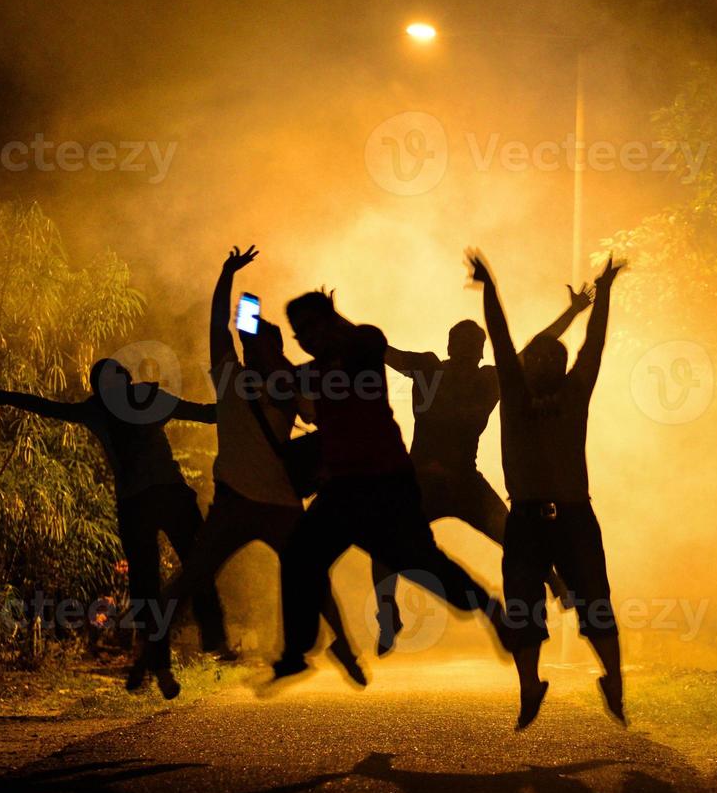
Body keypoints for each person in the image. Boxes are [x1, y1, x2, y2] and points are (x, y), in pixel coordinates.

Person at [272, 289, 515, 681]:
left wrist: (332, 324)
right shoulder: (315, 370)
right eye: (298, 334)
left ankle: (491, 612)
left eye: (309, 330)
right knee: (301, 554)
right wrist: (263, 350)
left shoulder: (362, 346)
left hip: (386, 484)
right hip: (344, 487)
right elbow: (285, 383)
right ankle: (297, 651)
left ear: (330, 324)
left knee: (419, 562)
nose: (304, 340)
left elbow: (374, 345)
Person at [168, 247, 367, 684]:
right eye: (249, 341)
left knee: (310, 574)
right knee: (192, 575)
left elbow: (320, 414)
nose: (250, 345)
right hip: (236, 501)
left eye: (259, 342)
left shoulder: (290, 384)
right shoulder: (230, 375)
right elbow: (222, 324)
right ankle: (153, 651)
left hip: (277, 503)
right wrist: (228, 277)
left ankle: (345, 646)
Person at [0, 360, 217, 700]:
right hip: (139, 504)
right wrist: (2, 396)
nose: (109, 389)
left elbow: (205, 413)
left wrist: (249, 407)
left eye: (112, 380)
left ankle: (209, 637)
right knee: (149, 586)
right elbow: (48, 407)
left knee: (195, 565)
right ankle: (161, 665)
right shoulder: (102, 409)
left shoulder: (144, 398)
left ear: (125, 379)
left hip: (166, 496)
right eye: (102, 384)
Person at [372, 288, 595, 654]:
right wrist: (337, 327)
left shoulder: (489, 378)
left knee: (515, 536)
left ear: (478, 354)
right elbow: (378, 349)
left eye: (471, 348)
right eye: (461, 346)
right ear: (450, 348)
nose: (466, 354)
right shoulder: (430, 368)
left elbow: (536, 347)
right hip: (423, 482)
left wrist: (571, 312)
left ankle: (555, 583)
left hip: (462, 479)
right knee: (384, 543)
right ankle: (387, 614)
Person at [468, 248, 628, 730]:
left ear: (552, 367)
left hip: (572, 513)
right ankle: (530, 685)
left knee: (594, 601)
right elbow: (500, 339)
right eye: (534, 358)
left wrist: (604, 297)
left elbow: (593, 346)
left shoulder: (570, 392)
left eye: (543, 357)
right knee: (522, 605)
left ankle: (614, 682)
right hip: (532, 516)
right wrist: (489, 290)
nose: (534, 361)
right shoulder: (516, 394)